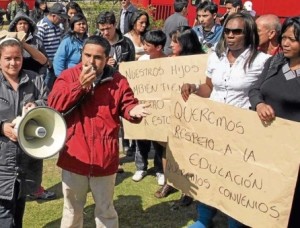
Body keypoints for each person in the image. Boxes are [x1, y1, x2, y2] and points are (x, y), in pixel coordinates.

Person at [48, 35, 150, 228]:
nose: (91, 62)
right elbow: (54, 104)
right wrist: (79, 85)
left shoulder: (117, 80)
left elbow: (127, 104)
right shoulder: (68, 76)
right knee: (72, 210)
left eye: (97, 57)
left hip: (105, 156)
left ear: (106, 58)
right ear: (81, 54)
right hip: (75, 155)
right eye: (87, 55)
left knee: (105, 209)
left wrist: (132, 112)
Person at [181, 12, 270, 228]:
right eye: (228, 31)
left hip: (242, 133)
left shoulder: (263, 62)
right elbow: (209, 88)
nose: (230, 36)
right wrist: (193, 88)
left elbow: (263, 94)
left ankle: (235, 223)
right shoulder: (215, 56)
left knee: (235, 178)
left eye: (237, 31)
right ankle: (204, 219)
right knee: (209, 171)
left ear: (248, 34)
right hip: (213, 127)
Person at [248, 16, 300, 228]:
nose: (285, 43)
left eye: (293, 39)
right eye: (284, 38)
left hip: (294, 153)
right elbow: (254, 90)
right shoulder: (275, 62)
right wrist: (259, 104)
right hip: (266, 145)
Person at [0, 37, 48, 227]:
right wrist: (1, 127)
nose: (13, 63)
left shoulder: (35, 79)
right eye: (8, 58)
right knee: (4, 214)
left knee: (19, 206)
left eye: (17, 58)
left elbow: (49, 103)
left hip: (27, 158)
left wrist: (36, 105)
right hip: (2, 160)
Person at [155, 26, 204, 202]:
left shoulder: (201, 61)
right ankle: (169, 181)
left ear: (186, 43)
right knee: (167, 148)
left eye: (175, 41)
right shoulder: (170, 60)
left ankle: (187, 188)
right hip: (171, 112)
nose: (171, 44)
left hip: (192, 114)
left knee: (188, 149)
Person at [95, 11, 136, 160]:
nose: (105, 32)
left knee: (124, 113)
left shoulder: (126, 43)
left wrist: (126, 67)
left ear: (114, 25)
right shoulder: (96, 42)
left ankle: (126, 143)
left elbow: (133, 65)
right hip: (102, 85)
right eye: (102, 29)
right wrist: (104, 63)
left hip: (121, 83)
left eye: (108, 28)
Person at [132, 30, 167, 185]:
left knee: (159, 141)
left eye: (147, 45)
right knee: (141, 139)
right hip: (143, 104)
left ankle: (160, 170)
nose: (144, 47)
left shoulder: (169, 62)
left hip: (161, 108)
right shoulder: (142, 60)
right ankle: (141, 167)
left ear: (158, 47)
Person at [36, 2, 68, 90]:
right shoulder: (42, 26)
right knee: (45, 88)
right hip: (46, 66)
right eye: (61, 18)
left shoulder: (57, 27)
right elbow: (37, 46)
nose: (62, 20)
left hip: (56, 64)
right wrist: (46, 60)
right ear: (53, 16)